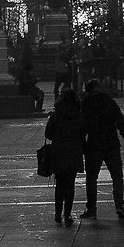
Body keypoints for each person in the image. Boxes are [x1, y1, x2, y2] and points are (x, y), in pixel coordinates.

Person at [81, 75, 124, 220]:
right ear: (96, 88)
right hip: (111, 143)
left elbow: (82, 126)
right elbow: (120, 122)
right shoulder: (109, 101)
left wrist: (81, 145)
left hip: (94, 144)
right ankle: (119, 204)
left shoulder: (86, 103)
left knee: (91, 178)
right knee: (117, 176)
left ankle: (91, 209)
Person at [45, 82, 85, 226]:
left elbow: (48, 134)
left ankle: (58, 213)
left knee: (60, 184)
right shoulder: (78, 116)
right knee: (70, 184)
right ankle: (67, 214)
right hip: (74, 151)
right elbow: (83, 133)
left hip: (59, 152)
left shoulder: (56, 116)